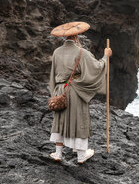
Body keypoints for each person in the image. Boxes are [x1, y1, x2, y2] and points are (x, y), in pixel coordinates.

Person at [48, 21, 112, 164]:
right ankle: (81, 156)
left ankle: (58, 154)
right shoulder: (82, 53)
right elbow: (96, 68)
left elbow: (53, 74)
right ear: (76, 36)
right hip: (75, 91)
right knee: (80, 120)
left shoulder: (56, 52)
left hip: (59, 90)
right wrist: (106, 56)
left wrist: (54, 92)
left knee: (59, 120)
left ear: (65, 37)